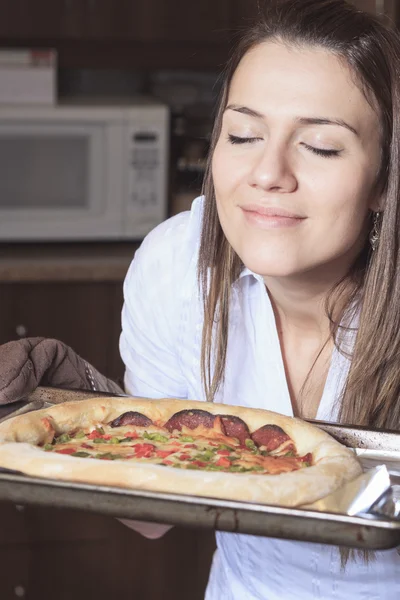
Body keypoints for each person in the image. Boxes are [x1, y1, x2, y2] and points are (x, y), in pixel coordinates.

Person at [1, 0, 399, 597]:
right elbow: (155, 512)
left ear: (383, 181)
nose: (268, 172)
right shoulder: (176, 268)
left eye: (319, 146)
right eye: (243, 134)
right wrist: (83, 406)